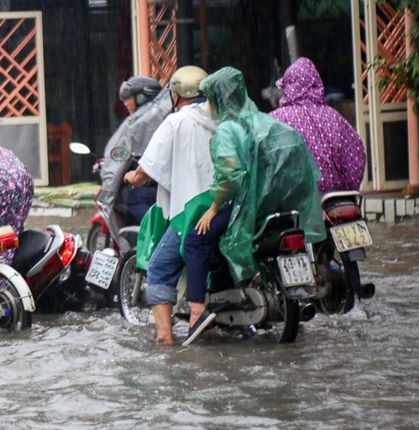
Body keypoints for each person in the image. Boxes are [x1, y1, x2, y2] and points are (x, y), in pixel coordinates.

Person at [184, 66, 327, 341]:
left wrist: (213, 209)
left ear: (218, 98)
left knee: (195, 239)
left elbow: (230, 177)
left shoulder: (228, 129)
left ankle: (196, 312)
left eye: (210, 97)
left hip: (246, 212)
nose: (208, 104)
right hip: (275, 209)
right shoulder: (263, 122)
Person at [123, 65, 218, 344]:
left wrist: (132, 177)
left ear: (177, 95)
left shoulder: (176, 122)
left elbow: (146, 170)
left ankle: (164, 337)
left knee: (159, 267)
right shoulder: (222, 117)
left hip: (190, 212)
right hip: (224, 207)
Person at [269, 57, 366, 193]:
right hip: (335, 198)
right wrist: (347, 187)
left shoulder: (275, 120)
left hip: (293, 201)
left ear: (288, 87)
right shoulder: (334, 117)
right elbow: (356, 154)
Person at [98, 76, 171, 234]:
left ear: (140, 97)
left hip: (149, 185)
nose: (125, 103)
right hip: (170, 184)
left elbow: (118, 159)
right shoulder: (164, 115)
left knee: (128, 198)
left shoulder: (138, 123)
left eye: (128, 99)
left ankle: (148, 235)